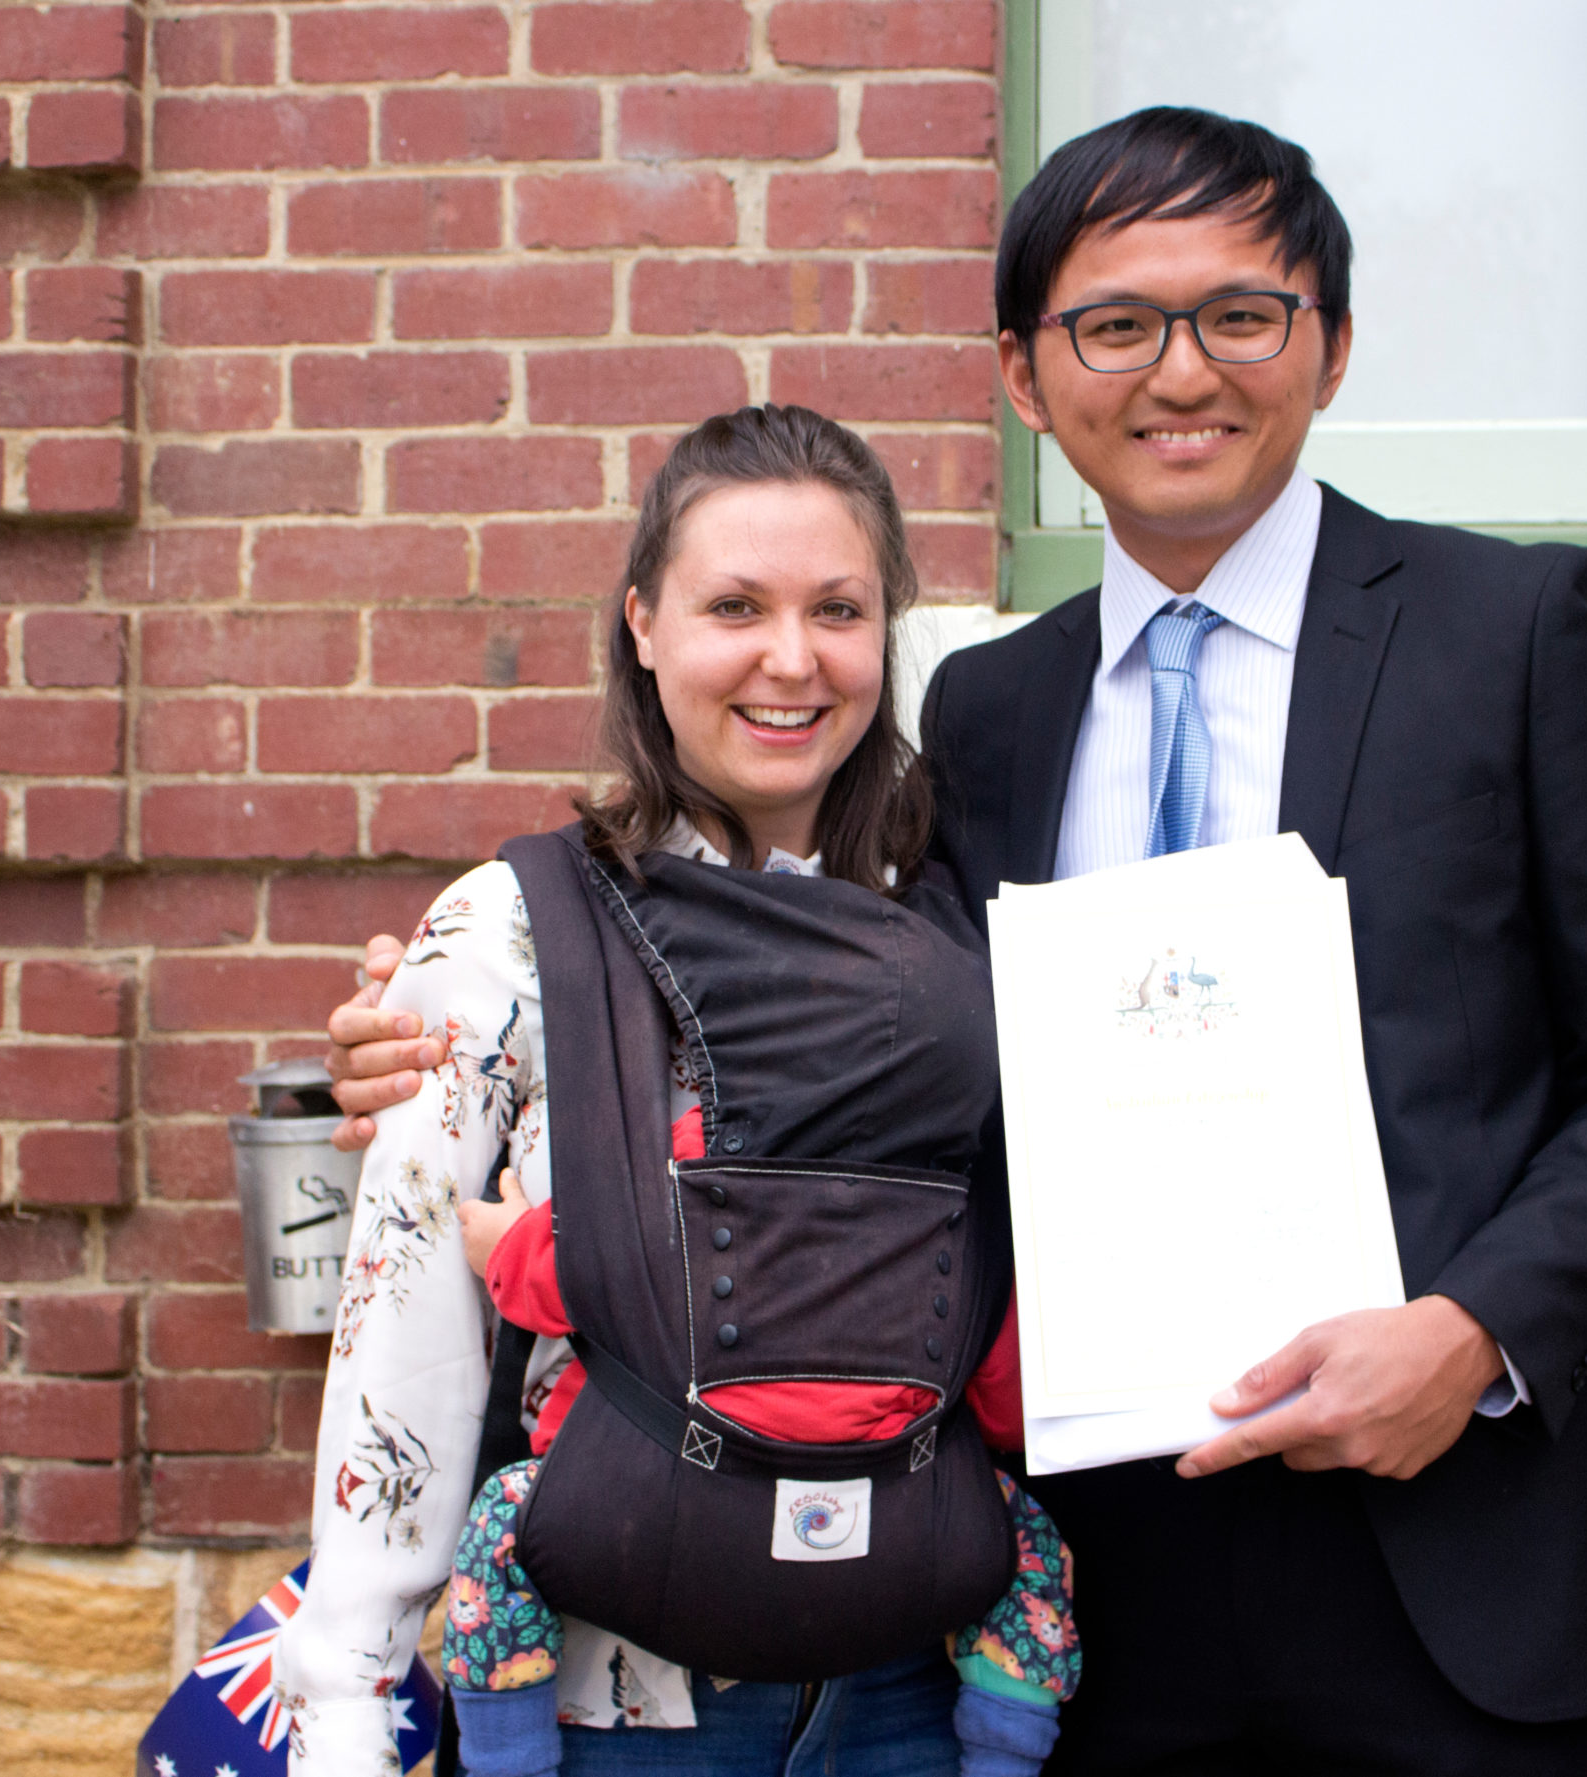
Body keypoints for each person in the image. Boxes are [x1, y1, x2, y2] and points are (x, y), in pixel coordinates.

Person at [333, 109, 1587, 1775]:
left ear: (1332, 343)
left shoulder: (1510, 632)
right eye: (1115, 324)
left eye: (1240, 313)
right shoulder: (992, 713)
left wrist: (1474, 1336)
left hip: (1453, 1543)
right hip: (1091, 1590)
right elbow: (854, 1048)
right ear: (1026, 375)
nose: (1180, 371)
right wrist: (449, 1041)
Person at [278, 405, 1076, 1777]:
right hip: (608, 1702)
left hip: (916, 1689)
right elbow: (404, 1298)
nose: (792, 656)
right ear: (642, 622)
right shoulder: (514, 928)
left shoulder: (968, 917)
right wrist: (348, 1688)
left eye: (840, 607)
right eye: (734, 605)